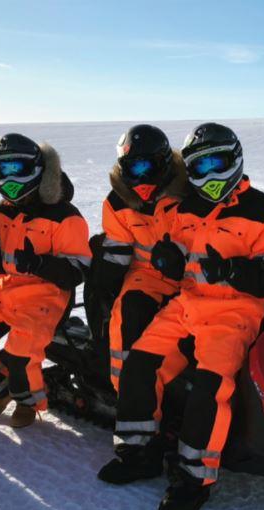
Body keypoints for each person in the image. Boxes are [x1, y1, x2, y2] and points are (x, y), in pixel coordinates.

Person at [99, 123, 264, 510]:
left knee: (211, 387)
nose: (208, 175)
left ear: (235, 159)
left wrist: (234, 272)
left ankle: (193, 478)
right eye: (198, 167)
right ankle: (140, 451)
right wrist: (167, 262)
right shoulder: (182, 209)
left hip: (234, 313)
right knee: (139, 362)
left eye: (216, 162)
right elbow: (171, 259)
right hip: (186, 304)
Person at [0, 134, 91, 429]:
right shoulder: (2, 211)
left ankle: (28, 400)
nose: (10, 177)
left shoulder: (64, 215)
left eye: (17, 168)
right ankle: (1, 391)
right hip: (7, 291)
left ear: (37, 169)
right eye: (3, 169)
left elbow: (78, 270)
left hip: (47, 298)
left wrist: (39, 263)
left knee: (20, 355)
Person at [93, 124, 189, 389]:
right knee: (127, 312)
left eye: (146, 167)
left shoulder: (190, 193)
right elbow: (117, 251)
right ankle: (126, 392)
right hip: (145, 277)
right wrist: (103, 287)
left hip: (192, 276)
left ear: (164, 164)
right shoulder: (117, 202)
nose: (141, 177)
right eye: (133, 168)